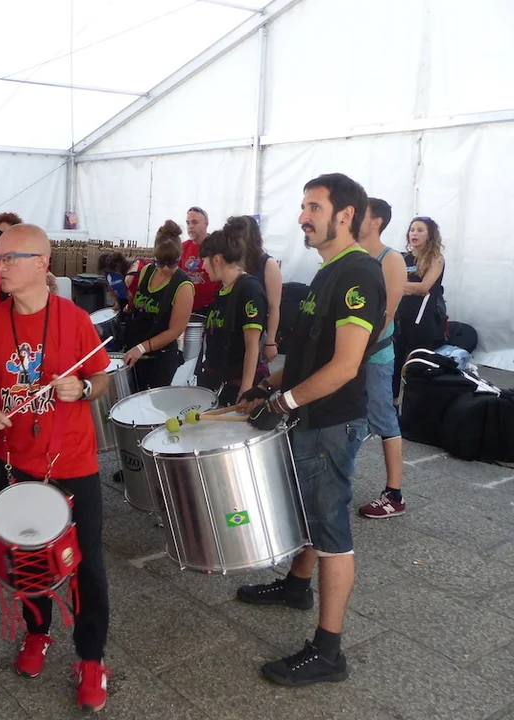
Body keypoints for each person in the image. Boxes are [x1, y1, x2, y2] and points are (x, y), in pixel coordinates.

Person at [236, 173, 385, 687]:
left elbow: (344, 366)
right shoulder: (327, 271)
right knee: (307, 510)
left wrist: (283, 402)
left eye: (314, 207)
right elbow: (307, 357)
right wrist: (265, 386)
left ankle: (328, 651)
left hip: (330, 422)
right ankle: (297, 587)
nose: (303, 217)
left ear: (345, 215)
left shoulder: (359, 275)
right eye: (303, 206)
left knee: (331, 530)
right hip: (309, 415)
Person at [0, 223, 111, 712]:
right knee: (25, 557)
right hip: (14, 462)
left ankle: (91, 658)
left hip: (73, 462)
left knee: (86, 564)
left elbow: (101, 378)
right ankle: (37, 632)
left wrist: (81, 389)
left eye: (8, 258)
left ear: (42, 264)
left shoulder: (75, 320)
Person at [356, 198, 408, 518]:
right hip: (350, 355)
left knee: (383, 417)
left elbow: (385, 315)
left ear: (376, 222)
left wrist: (357, 352)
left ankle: (394, 494)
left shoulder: (391, 259)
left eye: (361, 214)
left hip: (374, 356)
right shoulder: (353, 255)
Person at [198, 227, 268, 407]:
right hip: (217, 379)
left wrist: (245, 391)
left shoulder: (249, 290)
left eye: (204, 260)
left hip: (236, 385)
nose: (203, 267)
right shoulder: (222, 290)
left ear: (216, 259)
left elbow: (252, 347)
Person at [122, 221, 194, 390]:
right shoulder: (146, 271)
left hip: (160, 360)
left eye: (172, 263)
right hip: (135, 355)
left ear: (179, 258)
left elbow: (175, 331)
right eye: (160, 263)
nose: (166, 269)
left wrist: (142, 347)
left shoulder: (183, 285)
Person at [392, 216, 447, 399]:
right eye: (412, 230)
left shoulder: (436, 259)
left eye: (420, 230)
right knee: (395, 364)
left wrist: (398, 285)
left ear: (429, 235)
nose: (414, 234)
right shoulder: (402, 258)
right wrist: (405, 288)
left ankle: (415, 405)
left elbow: (423, 288)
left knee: (416, 367)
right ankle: (393, 403)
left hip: (422, 322)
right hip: (400, 319)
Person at [238, 215, 284, 363]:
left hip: (257, 330)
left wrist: (270, 341)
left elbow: (274, 306)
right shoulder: (235, 261)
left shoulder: (268, 263)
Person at [180, 206, 221, 312]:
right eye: (188, 223)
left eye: (195, 222)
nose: (190, 226)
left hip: (211, 307)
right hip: (187, 306)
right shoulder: (182, 248)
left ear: (206, 224)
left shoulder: (217, 245)